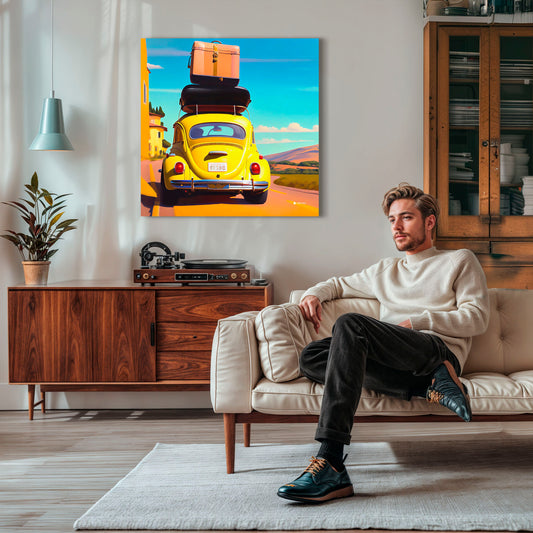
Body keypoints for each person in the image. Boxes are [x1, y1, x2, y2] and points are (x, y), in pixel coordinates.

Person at [277, 183, 490, 504]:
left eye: (406, 218)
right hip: (400, 364)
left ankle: (331, 459)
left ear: (429, 222)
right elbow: (337, 284)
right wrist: (313, 294)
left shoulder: (459, 260)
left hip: (434, 351)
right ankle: (427, 387)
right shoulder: (385, 270)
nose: (397, 227)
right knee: (312, 356)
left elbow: (477, 319)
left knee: (349, 324)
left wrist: (417, 321)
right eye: (392, 220)